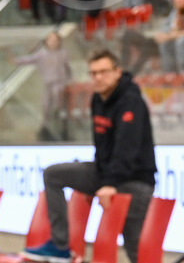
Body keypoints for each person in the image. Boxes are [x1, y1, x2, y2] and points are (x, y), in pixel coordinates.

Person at [24, 50, 155, 263]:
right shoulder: (97, 99)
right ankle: (59, 245)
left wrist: (110, 184)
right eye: (93, 73)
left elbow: (127, 148)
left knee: (135, 247)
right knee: (53, 175)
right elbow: (103, 146)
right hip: (107, 173)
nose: (98, 77)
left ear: (117, 72)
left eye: (103, 72)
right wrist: (96, 181)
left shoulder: (131, 101)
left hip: (134, 179)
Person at [14, 32, 72, 140]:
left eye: (56, 40)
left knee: (57, 103)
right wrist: (15, 60)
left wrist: (68, 81)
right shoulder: (42, 54)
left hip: (59, 84)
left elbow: (68, 68)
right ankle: (45, 127)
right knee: (45, 105)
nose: (54, 43)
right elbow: (29, 59)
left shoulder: (62, 54)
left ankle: (61, 128)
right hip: (48, 84)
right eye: (51, 40)